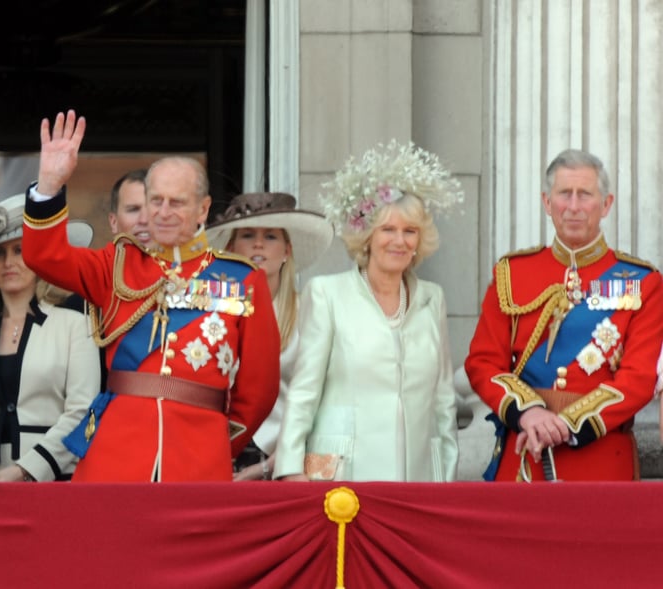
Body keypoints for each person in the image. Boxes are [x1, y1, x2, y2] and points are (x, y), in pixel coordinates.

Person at [21, 110, 280, 482]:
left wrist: (216, 442)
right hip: (115, 457)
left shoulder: (243, 279)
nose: (162, 212)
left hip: (199, 457)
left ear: (203, 209)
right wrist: (48, 185)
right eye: (155, 201)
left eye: (176, 202)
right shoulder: (118, 265)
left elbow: (260, 389)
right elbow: (44, 256)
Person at [466, 148, 663, 482]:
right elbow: (483, 363)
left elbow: (639, 379)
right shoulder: (511, 274)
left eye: (585, 195)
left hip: (600, 458)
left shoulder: (643, 282)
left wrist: (567, 425)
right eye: (564, 194)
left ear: (606, 204)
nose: (573, 206)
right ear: (547, 203)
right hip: (523, 452)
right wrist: (528, 413)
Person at [273, 141, 462, 482]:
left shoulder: (432, 299)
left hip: (418, 479)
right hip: (341, 476)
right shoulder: (328, 294)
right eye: (387, 230)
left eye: (410, 231)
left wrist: (446, 474)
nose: (399, 241)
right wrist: (289, 469)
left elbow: (444, 400)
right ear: (367, 237)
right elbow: (304, 390)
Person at [0, 195, 100, 482]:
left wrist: (27, 469)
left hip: (54, 481)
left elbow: (83, 411)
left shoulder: (76, 326)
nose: (8, 262)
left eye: (19, 250)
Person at [206, 192, 333, 481]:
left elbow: (324, 396)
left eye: (271, 237)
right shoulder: (207, 313)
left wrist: (279, 461)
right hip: (218, 448)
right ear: (231, 248)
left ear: (287, 250)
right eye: (248, 235)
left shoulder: (310, 311)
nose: (259, 244)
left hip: (288, 456)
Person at [107, 169, 152, 247]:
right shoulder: (98, 259)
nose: (144, 220)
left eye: (153, 209)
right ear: (114, 222)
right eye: (133, 210)